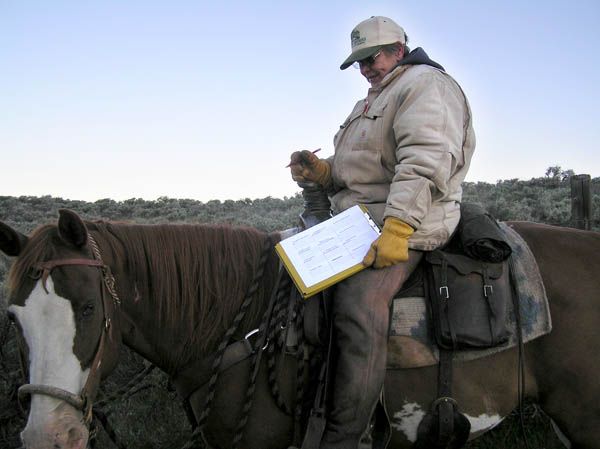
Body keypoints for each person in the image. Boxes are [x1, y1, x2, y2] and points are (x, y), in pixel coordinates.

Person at [288, 15, 476, 449]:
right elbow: (360, 172)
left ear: (398, 48)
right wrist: (322, 171)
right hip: (359, 218)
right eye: (359, 62)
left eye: (371, 58)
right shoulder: (372, 100)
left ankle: (346, 436)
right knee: (287, 271)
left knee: (359, 304)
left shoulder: (426, 86)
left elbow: (426, 159)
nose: (366, 69)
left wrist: (398, 228)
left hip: (411, 218)